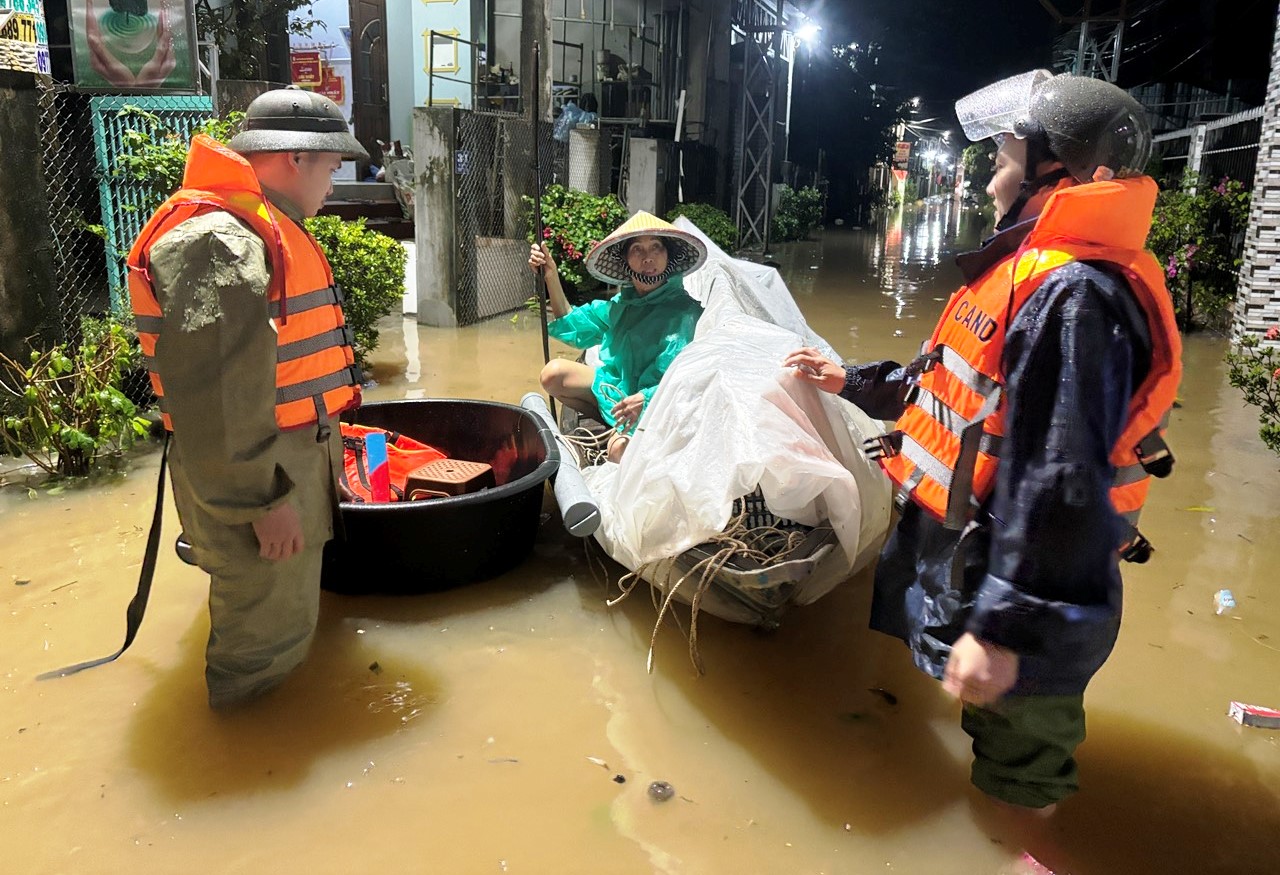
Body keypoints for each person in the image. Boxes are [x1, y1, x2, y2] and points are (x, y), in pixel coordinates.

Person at [785, 71, 1182, 811]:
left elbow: (1063, 483)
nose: (992, 166)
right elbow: (949, 392)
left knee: (1018, 785)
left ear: (1072, 173)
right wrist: (850, 381)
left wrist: (1004, 630)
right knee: (983, 732)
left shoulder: (1076, 297)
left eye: (1008, 151)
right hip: (979, 566)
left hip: (1028, 594)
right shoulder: (1031, 276)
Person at [127, 88, 368, 708]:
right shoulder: (219, 240)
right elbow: (220, 397)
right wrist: (262, 501)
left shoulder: (248, 228)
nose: (334, 185)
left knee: (284, 622)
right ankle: (243, 765)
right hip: (258, 476)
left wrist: (323, 467)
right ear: (294, 158)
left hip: (282, 463)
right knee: (261, 652)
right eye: (332, 168)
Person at [529, 211, 706, 462]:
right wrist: (550, 275)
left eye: (656, 247)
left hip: (660, 404)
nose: (648, 257)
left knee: (619, 452)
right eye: (637, 249)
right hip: (618, 393)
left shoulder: (686, 313)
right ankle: (612, 423)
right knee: (552, 374)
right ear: (625, 261)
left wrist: (644, 399)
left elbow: (687, 379)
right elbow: (573, 323)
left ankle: (621, 436)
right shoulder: (621, 305)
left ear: (669, 256)